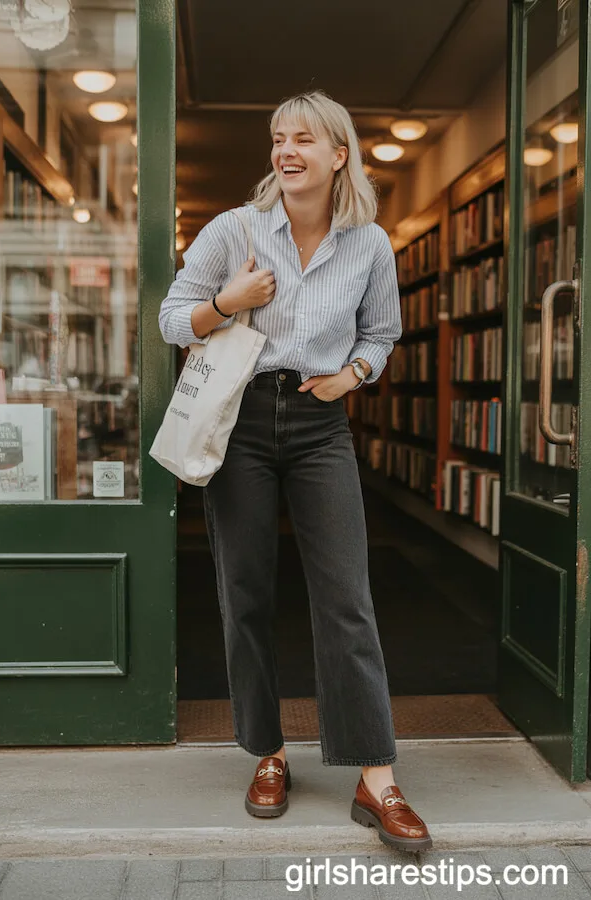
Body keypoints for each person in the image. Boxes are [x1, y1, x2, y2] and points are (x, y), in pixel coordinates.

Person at [158, 89, 432, 853]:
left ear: (338, 155)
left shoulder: (369, 243)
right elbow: (171, 317)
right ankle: (268, 753)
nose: (286, 149)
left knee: (347, 596)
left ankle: (376, 778)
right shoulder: (235, 230)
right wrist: (228, 300)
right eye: (278, 136)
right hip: (240, 419)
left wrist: (355, 375)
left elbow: (383, 331)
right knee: (244, 589)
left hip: (320, 425)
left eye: (304, 138)